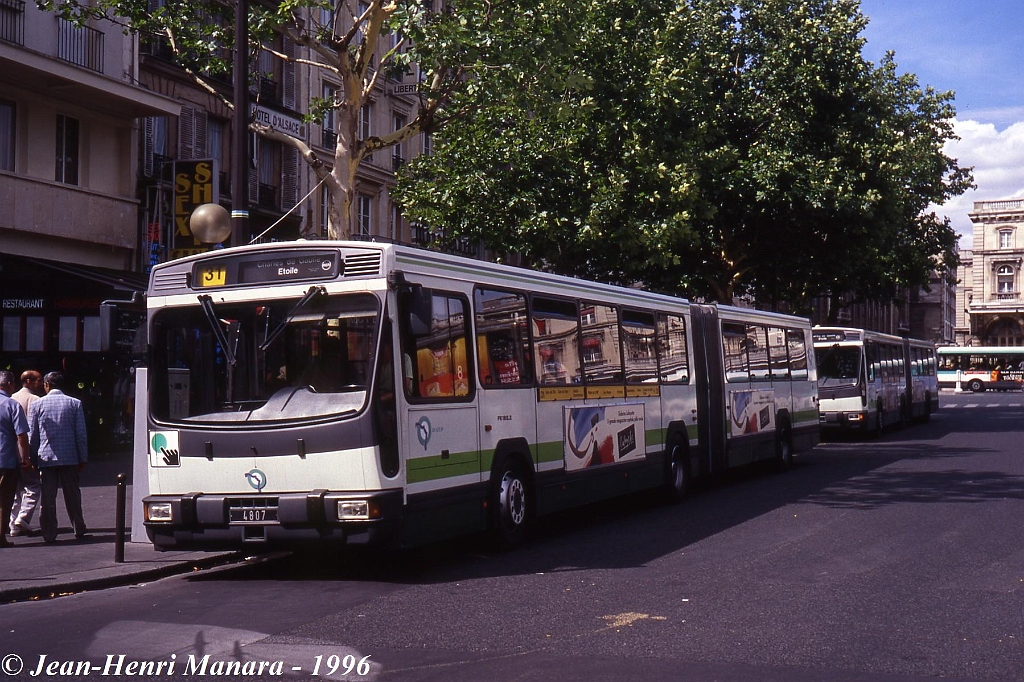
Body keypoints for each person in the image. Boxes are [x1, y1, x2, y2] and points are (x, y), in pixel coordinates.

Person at [28, 371, 89, 543]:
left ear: (47, 385)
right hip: (69, 457)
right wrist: (82, 457)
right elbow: (81, 434)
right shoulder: (74, 403)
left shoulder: (37, 405)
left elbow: (33, 435)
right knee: (72, 495)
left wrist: (32, 458)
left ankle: (49, 532)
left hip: (46, 458)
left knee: (48, 498)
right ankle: (79, 527)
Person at [9, 370, 43, 536]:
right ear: (28, 381)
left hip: (10, 451)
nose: (41, 383)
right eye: (38, 380)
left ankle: (13, 523)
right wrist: (29, 456)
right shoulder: (35, 400)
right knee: (33, 485)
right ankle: (23, 517)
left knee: (15, 489)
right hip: (26, 449)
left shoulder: (11, 398)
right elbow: (32, 431)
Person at [0, 370, 31, 548]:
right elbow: (21, 435)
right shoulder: (12, 405)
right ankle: (0, 536)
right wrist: (25, 457)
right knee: (4, 500)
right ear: (10, 384)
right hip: (5, 459)